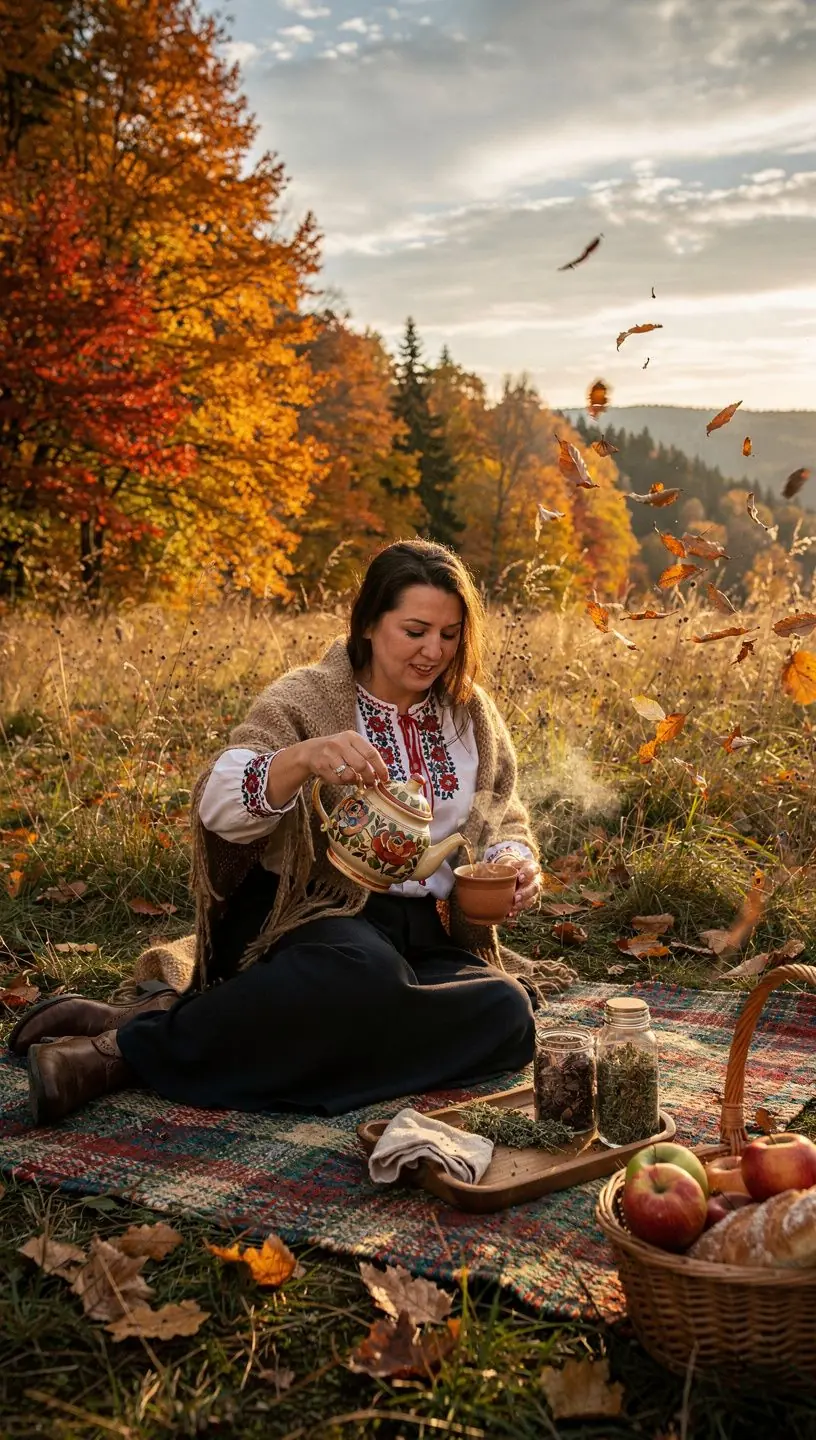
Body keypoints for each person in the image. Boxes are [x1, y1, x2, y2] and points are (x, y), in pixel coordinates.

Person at [11, 540, 575, 1124]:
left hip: (426, 937)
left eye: (450, 634)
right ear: (367, 624)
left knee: (508, 1013)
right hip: (313, 918)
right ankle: (113, 1058)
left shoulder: (469, 714)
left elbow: (500, 811)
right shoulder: (307, 698)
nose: (434, 651)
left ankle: (157, 1024)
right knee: (360, 977)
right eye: (415, 630)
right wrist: (303, 759)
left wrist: (513, 860)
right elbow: (218, 801)